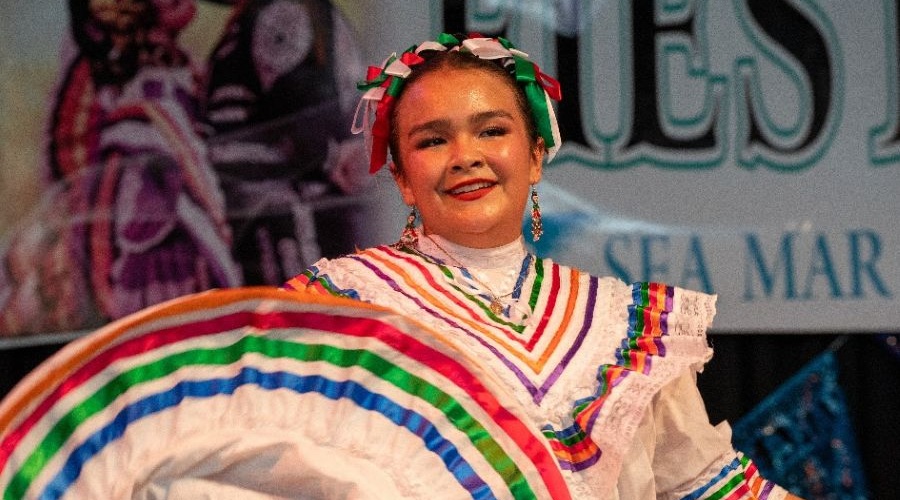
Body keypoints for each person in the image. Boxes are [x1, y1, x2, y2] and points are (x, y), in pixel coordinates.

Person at [284, 33, 802, 499]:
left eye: (491, 131)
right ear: (402, 178)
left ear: (535, 156)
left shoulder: (622, 324)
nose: (465, 156)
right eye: (433, 140)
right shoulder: (349, 307)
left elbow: (705, 484)